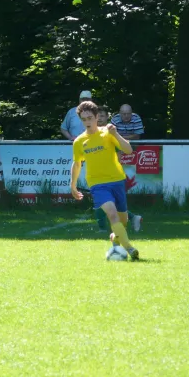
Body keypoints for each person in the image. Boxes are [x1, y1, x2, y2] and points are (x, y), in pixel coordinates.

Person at [70, 101, 140, 261]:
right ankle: (130, 248)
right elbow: (77, 163)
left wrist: (116, 134)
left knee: (122, 221)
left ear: (97, 117)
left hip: (117, 180)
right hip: (97, 185)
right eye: (83, 119)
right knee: (112, 214)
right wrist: (73, 185)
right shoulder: (79, 141)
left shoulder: (108, 133)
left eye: (89, 118)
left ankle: (116, 238)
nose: (87, 122)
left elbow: (128, 150)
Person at [95, 107, 142, 233]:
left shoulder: (112, 134)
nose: (99, 118)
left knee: (109, 204)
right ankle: (131, 219)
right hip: (96, 175)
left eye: (102, 116)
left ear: (107, 118)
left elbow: (120, 156)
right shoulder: (89, 134)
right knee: (105, 202)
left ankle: (106, 229)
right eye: (97, 116)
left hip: (111, 176)